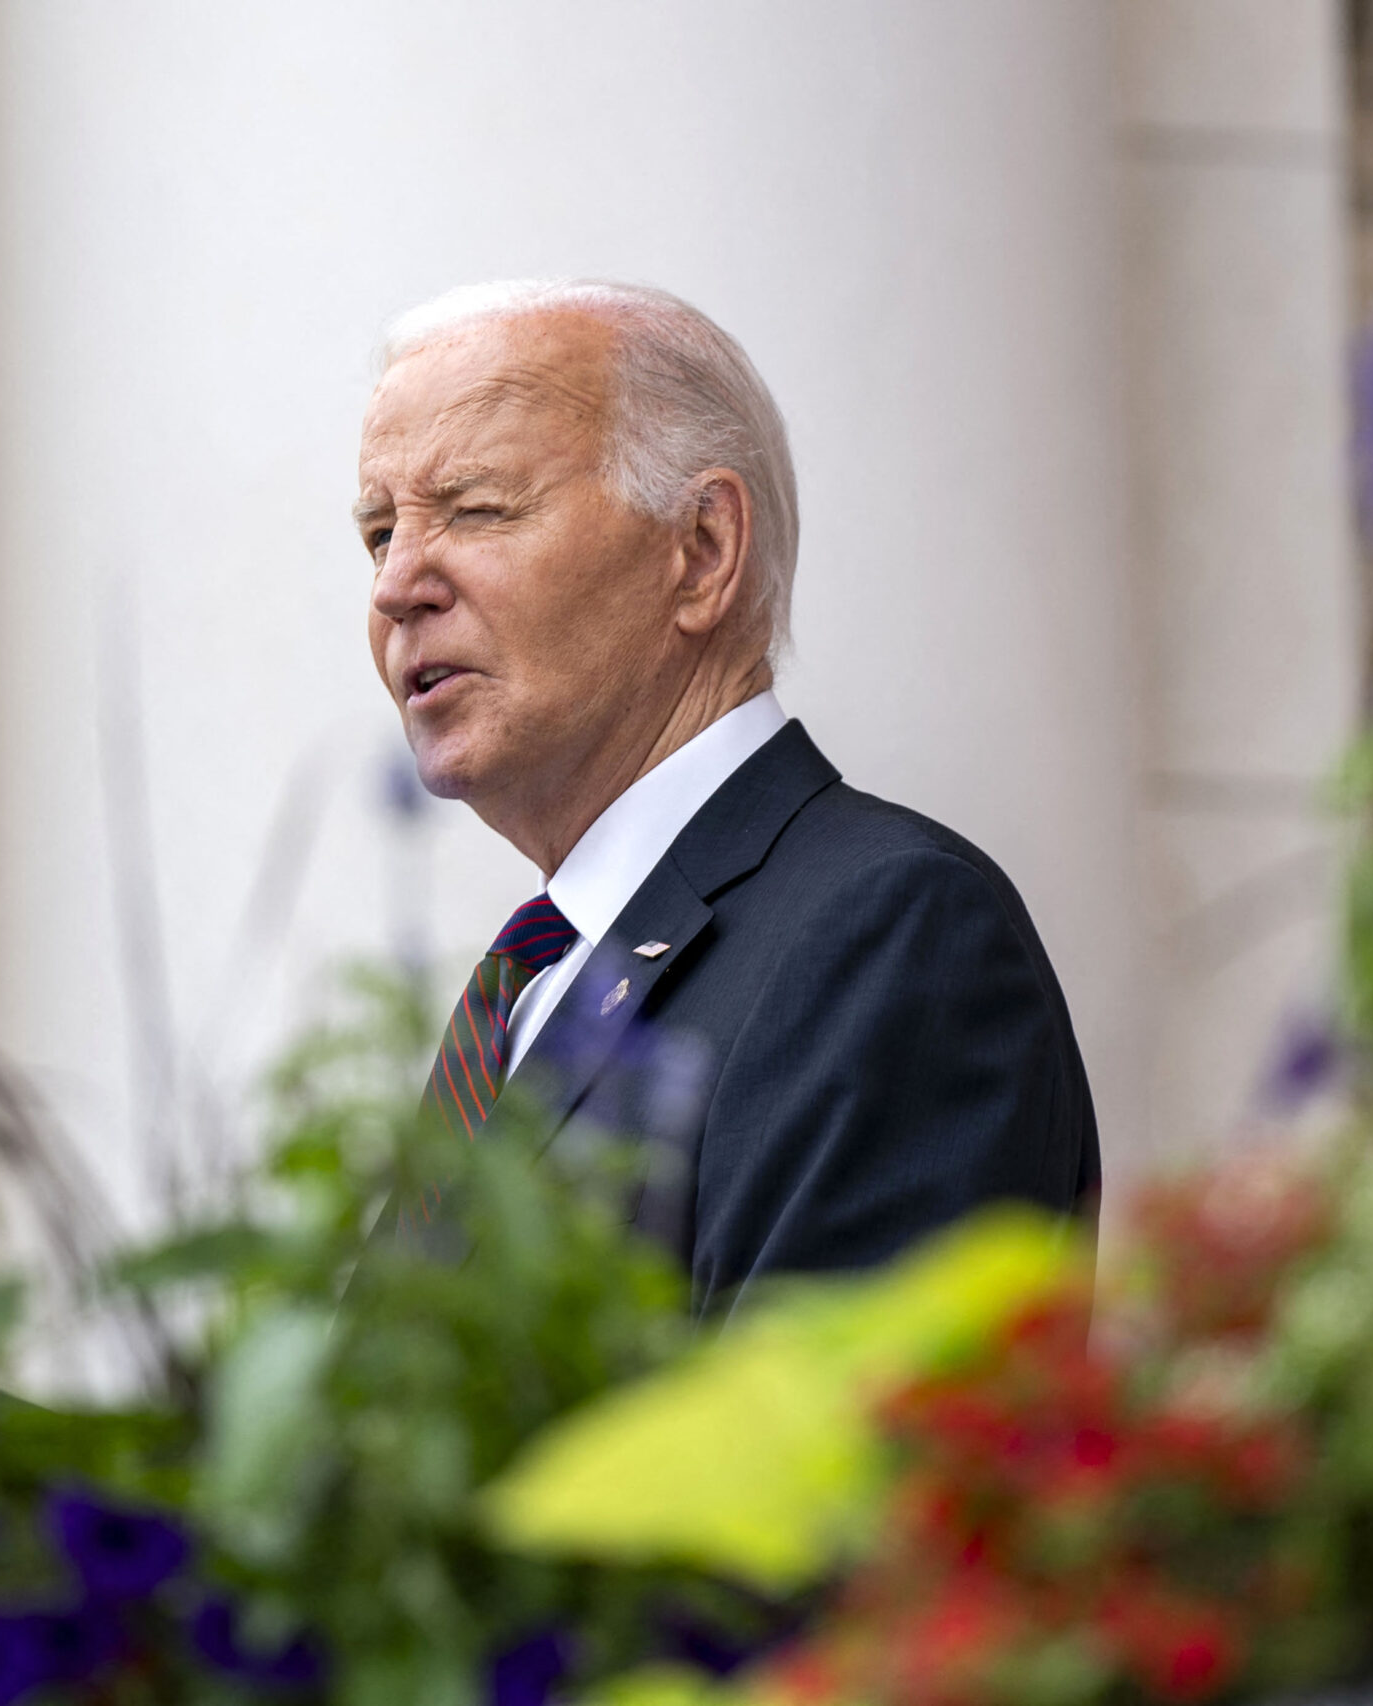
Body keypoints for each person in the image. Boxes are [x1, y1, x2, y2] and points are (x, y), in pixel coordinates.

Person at [354, 279, 1099, 1309]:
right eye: (379, 534)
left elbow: (829, 1407)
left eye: (476, 510)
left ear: (701, 551)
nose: (396, 586)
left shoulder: (892, 933)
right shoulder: (529, 984)